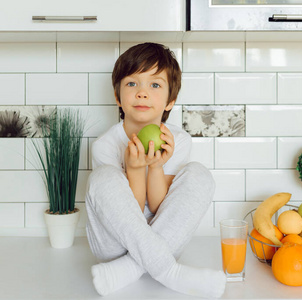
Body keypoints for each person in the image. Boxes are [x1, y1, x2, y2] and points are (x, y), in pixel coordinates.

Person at [84, 42, 226, 298]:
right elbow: (129, 214)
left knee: (199, 173)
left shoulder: (178, 141)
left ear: (170, 101)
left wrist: (157, 166)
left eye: (155, 85)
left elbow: (160, 205)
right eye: (131, 83)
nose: (142, 93)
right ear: (117, 96)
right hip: (115, 245)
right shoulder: (105, 146)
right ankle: (170, 272)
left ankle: (129, 270)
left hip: (167, 239)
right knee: (102, 177)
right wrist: (135, 169)